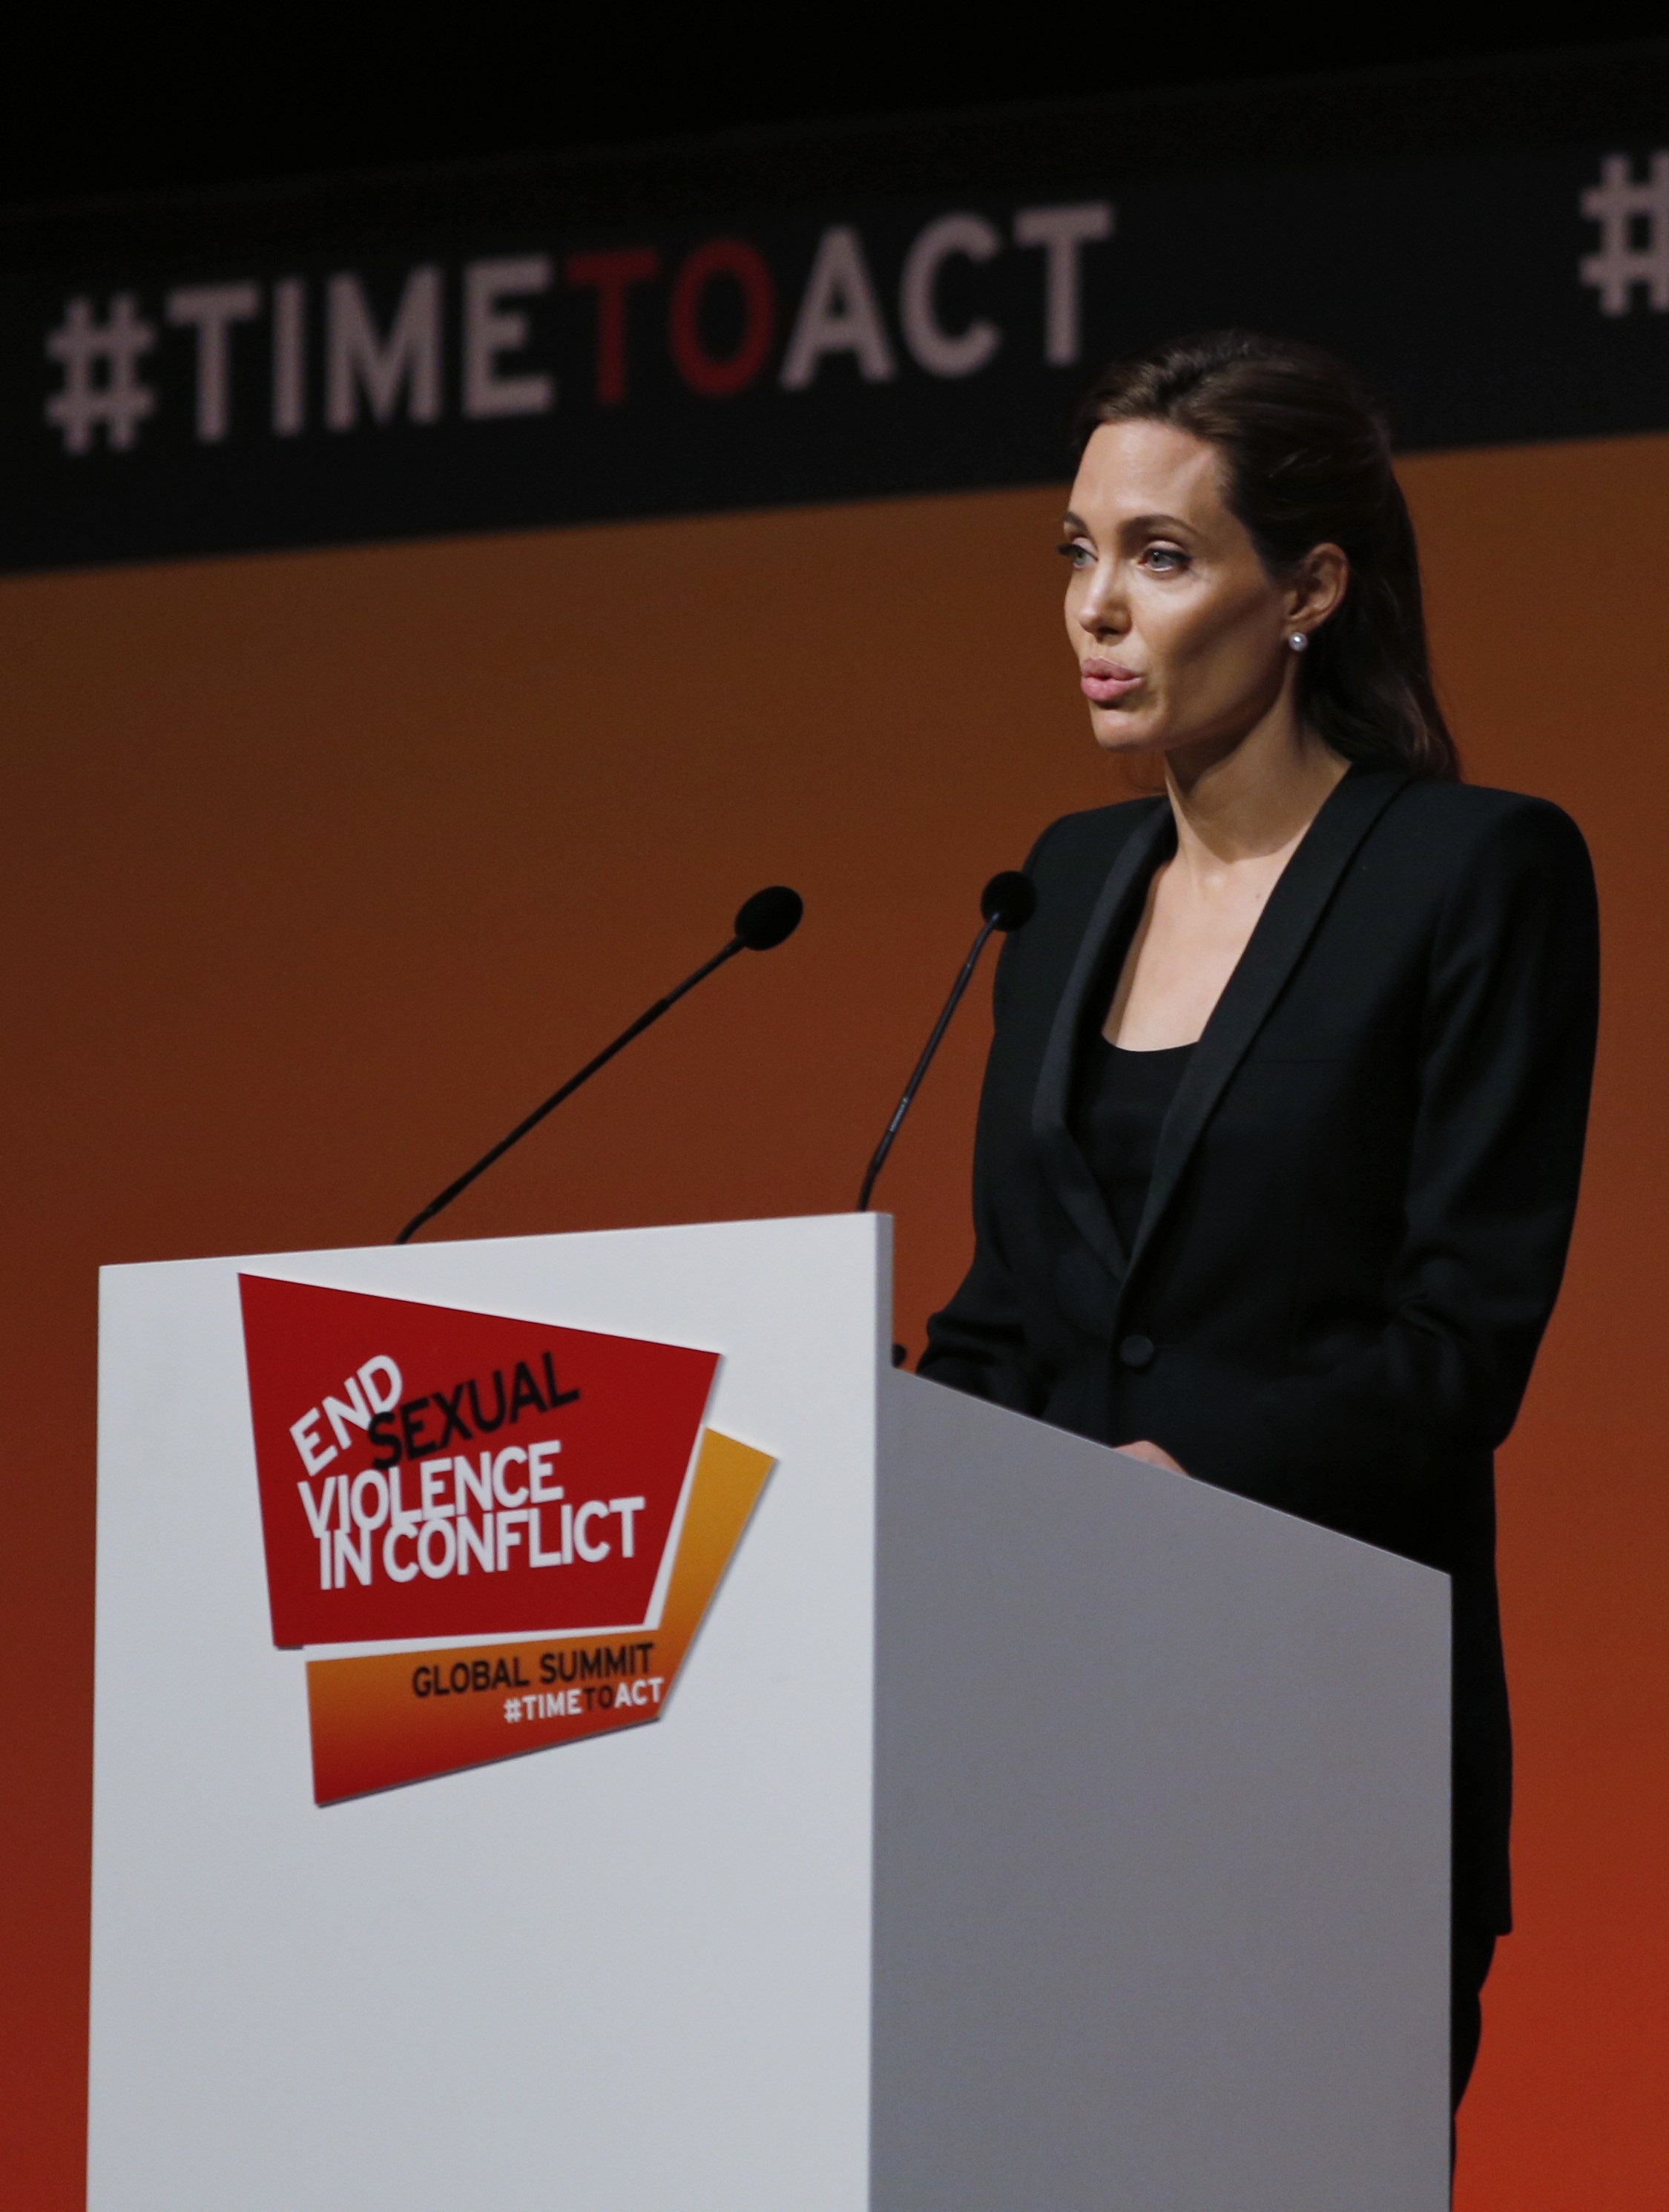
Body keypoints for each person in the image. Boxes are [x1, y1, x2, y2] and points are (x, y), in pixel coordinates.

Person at [918, 330, 1599, 2115]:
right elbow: (1012, 1312)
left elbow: (1458, 1347)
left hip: (1319, 1726)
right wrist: (887, 1470)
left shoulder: (1477, 873)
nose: (1098, 610)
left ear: (1308, 588)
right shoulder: (1064, 884)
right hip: (1052, 1744)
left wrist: (1177, 1484)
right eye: (1078, 552)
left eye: (1161, 556)